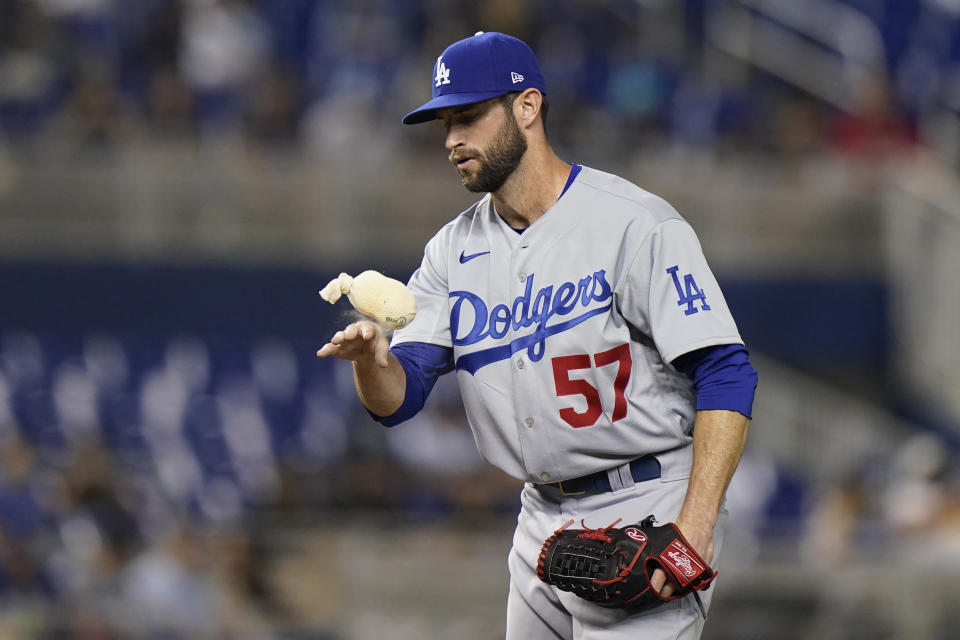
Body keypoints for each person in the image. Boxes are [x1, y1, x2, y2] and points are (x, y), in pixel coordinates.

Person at [317, 31, 757, 639]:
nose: (451, 140)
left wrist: (696, 525)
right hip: (539, 518)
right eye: (444, 123)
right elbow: (398, 399)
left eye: (468, 116)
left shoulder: (633, 224)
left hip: (646, 503)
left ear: (527, 107)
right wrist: (372, 360)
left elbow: (727, 372)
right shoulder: (451, 250)